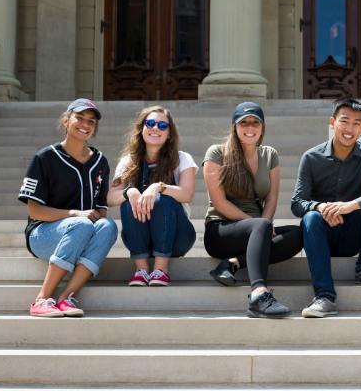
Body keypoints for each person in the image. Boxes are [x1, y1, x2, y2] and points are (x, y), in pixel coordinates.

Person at [292, 97, 361, 318]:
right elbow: (297, 203)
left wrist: (350, 206)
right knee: (310, 217)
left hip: (354, 233)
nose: (350, 128)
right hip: (323, 235)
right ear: (332, 123)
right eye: (344, 121)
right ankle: (325, 297)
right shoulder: (311, 158)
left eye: (357, 123)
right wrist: (322, 207)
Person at [18, 99, 118, 317]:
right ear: (66, 121)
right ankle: (42, 300)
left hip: (83, 233)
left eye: (91, 121)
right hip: (44, 236)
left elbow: (101, 210)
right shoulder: (44, 158)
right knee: (81, 223)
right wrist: (74, 214)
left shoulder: (100, 161)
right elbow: (34, 211)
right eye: (79, 118)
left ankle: (65, 299)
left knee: (109, 226)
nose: (85, 124)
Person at [203, 102, 303, 319]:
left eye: (255, 122)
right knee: (261, 225)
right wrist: (261, 225)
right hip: (221, 230)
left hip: (256, 230)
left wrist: (265, 225)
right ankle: (258, 294)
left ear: (262, 127)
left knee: (299, 233)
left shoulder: (270, 155)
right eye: (244, 122)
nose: (250, 127)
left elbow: (272, 197)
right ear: (235, 127)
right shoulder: (217, 153)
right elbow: (219, 203)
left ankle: (232, 264)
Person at [107, 106, 197, 287]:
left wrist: (159, 187)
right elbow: (110, 198)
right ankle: (141, 270)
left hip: (177, 237)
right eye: (150, 123)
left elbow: (187, 194)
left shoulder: (182, 158)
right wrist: (129, 191)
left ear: (169, 134)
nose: (155, 128)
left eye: (163, 126)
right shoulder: (128, 161)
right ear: (141, 130)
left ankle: (161, 269)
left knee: (162, 199)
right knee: (128, 200)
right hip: (140, 237)